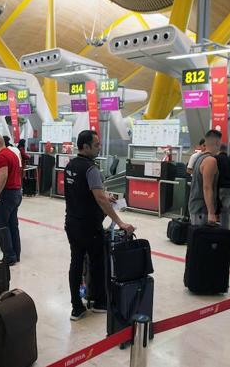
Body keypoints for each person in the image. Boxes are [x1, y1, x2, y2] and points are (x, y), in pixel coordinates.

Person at [64, 130, 136, 321]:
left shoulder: (70, 165)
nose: (99, 147)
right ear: (85, 146)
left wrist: (104, 196)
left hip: (72, 223)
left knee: (76, 263)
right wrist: (120, 221)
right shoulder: (91, 169)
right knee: (98, 262)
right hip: (89, 226)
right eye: (96, 144)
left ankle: (76, 307)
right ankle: (99, 302)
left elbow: (82, 193)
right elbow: (99, 199)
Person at [0, 134, 22, 266]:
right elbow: (0, 174)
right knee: (13, 225)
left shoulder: (1, 156)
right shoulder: (12, 153)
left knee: (2, 226)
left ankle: (8, 256)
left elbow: (3, 175)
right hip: (16, 193)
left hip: (6, 194)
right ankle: (16, 254)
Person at [188, 130, 221, 226]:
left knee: (197, 237)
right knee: (202, 238)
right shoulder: (210, 160)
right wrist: (211, 212)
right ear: (217, 143)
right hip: (202, 209)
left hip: (196, 205)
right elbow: (207, 187)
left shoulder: (199, 157)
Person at [215, 144, 230, 229]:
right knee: (225, 210)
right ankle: (224, 230)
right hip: (229, 189)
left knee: (213, 208)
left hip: (218, 188)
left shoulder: (215, 159)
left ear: (219, 149)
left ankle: (210, 230)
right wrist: (228, 181)